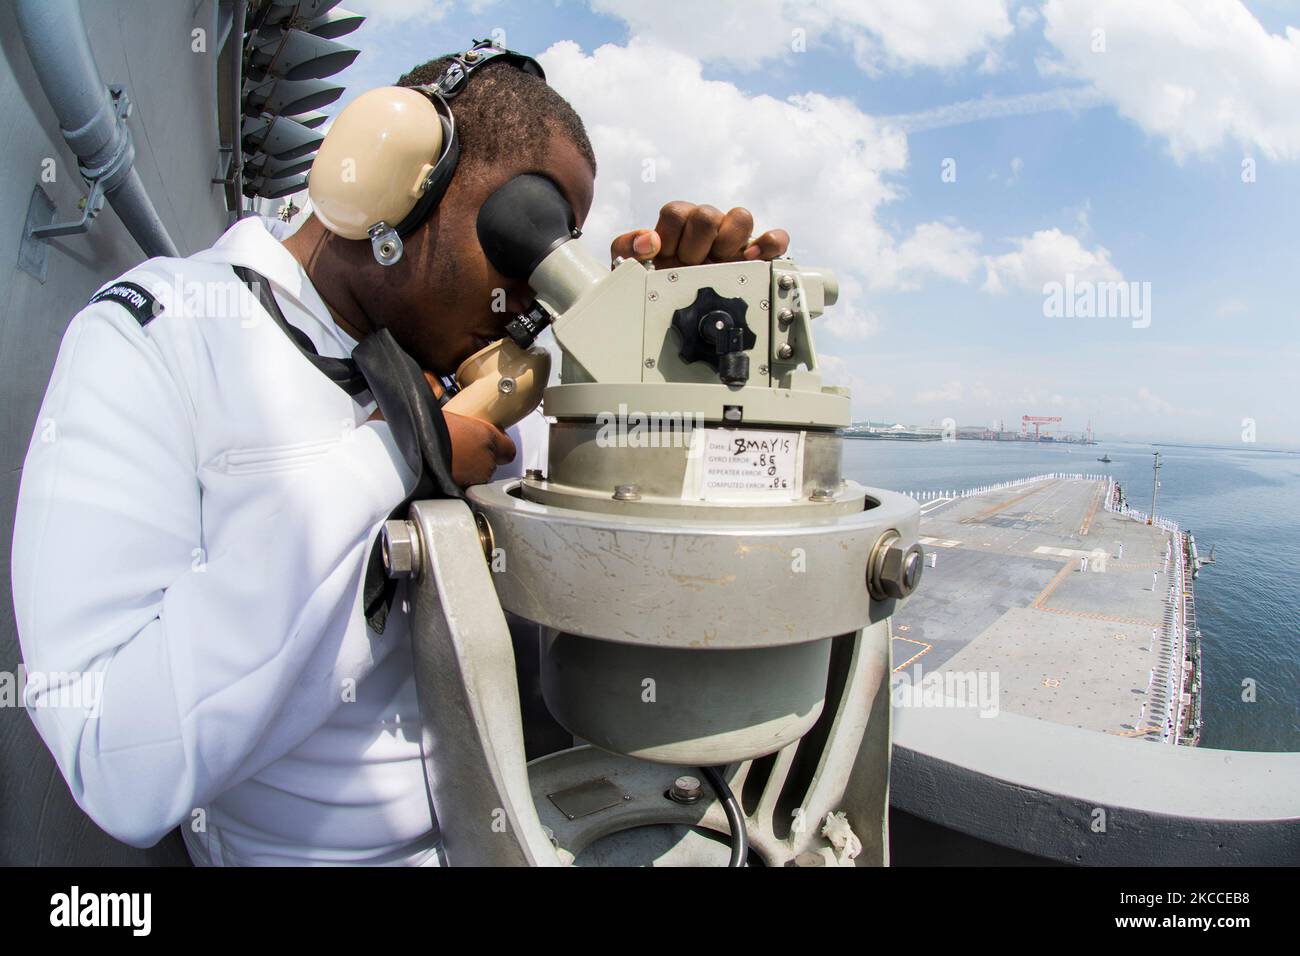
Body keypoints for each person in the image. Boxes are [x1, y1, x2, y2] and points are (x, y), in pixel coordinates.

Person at [10, 47, 790, 866]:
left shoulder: (471, 390)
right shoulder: (162, 335)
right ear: (389, 173)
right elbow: (113, 762)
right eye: (527, 234)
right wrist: (398, 452)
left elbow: (652, 569)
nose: (529, 295)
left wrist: (684, 370)